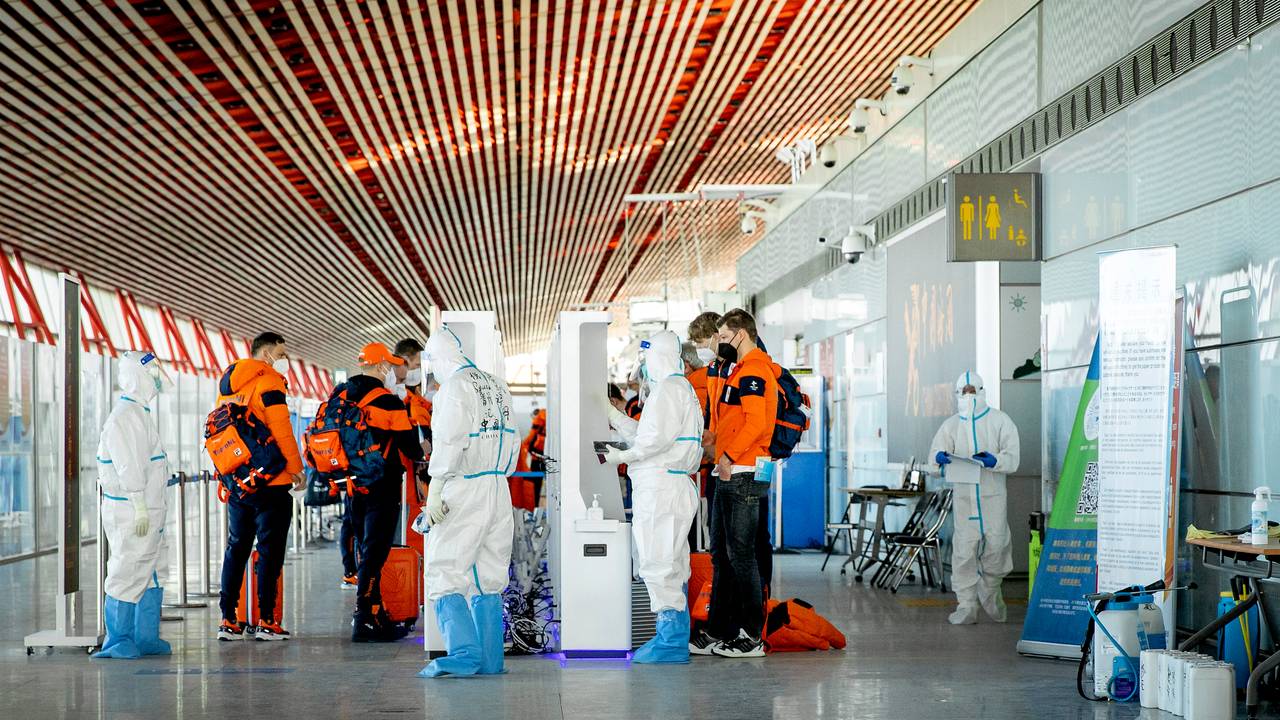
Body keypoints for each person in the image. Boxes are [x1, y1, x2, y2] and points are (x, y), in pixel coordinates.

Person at [418, 328, 518, 678]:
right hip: (498, 486)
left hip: (464, 486)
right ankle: (491, 660)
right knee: (488, 574)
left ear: (436, 360)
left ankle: (462, 656)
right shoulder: (496, 384)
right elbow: (514, 439)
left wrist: (435, 488)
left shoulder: (454, 389)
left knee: (445, 570)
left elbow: (448, 442)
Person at [603, 331, 702, 663]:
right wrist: (615, 418)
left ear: (657, 357)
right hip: (670, 485)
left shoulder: (669, 390)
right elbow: (650, 434)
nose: (642, 373)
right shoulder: (676, 389)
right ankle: (671, 636)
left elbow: (651, 443)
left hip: (662, 488)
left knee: (659, 562)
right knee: (671, 562)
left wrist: (617, 456)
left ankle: (671, 641)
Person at [692, 309, 778, 659]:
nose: (719, 343)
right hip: (727, 469)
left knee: (742, 556)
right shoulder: (734, 372)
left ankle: (752, 634)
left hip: (743, 472)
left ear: (740, 334)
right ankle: (719, 629)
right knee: (722, 555)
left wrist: (727, 457)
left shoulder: (755, 371)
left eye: (723, 337)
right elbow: (728, 420)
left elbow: (756, 423)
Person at [216, 332, 305, 641]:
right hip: (271, 482)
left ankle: (229, 619)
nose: (285, 359)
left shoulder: (227, 387)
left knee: (236, 548)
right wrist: (297, 469)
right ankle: (267, 620)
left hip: (238, 482)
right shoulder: (269, 383)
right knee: (269, 552)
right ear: (266, 353)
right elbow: (282, 431)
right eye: (282, 353)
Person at [93, 351, 174, 659]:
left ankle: (145, 636)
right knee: (128, 569)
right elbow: (129, 468)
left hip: (150, 513)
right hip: (132, 512)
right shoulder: (123, 419)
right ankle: (118, 638)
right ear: (136, 376)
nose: (157, 376)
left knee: (153, 569)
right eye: (152, 370)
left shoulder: (141, 414)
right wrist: (139, 506)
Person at [345, 342, 425, 641]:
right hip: (383, 484)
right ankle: (364, 617)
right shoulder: (388, 401)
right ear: (381, 367)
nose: (393, 372)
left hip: (353, 483)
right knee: (375, 553)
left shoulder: (342, 394)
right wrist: (425, 448)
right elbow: (411, 447)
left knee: (365, 549)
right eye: (390, 367)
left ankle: (374, 612)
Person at [931, 370, 1020, 625]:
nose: (968, 395)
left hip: (992, 497)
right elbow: (935, 454)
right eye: (964, 390)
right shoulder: (950, 425)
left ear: (981, 391)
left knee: (998, 546)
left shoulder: (1000, 421)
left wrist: (996, 461)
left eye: (973, 390)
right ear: (958, 393)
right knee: (963, 551)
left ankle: (990, 590)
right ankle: (966, 605)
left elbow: (1013, 456)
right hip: (964, 499)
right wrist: (939, 458)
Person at [395, 338, 433, 556]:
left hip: (412, 476)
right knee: (407, 531)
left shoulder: (412, 401)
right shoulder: (401, 401)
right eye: (417, 365)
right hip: (407, 476)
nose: (418, 370)